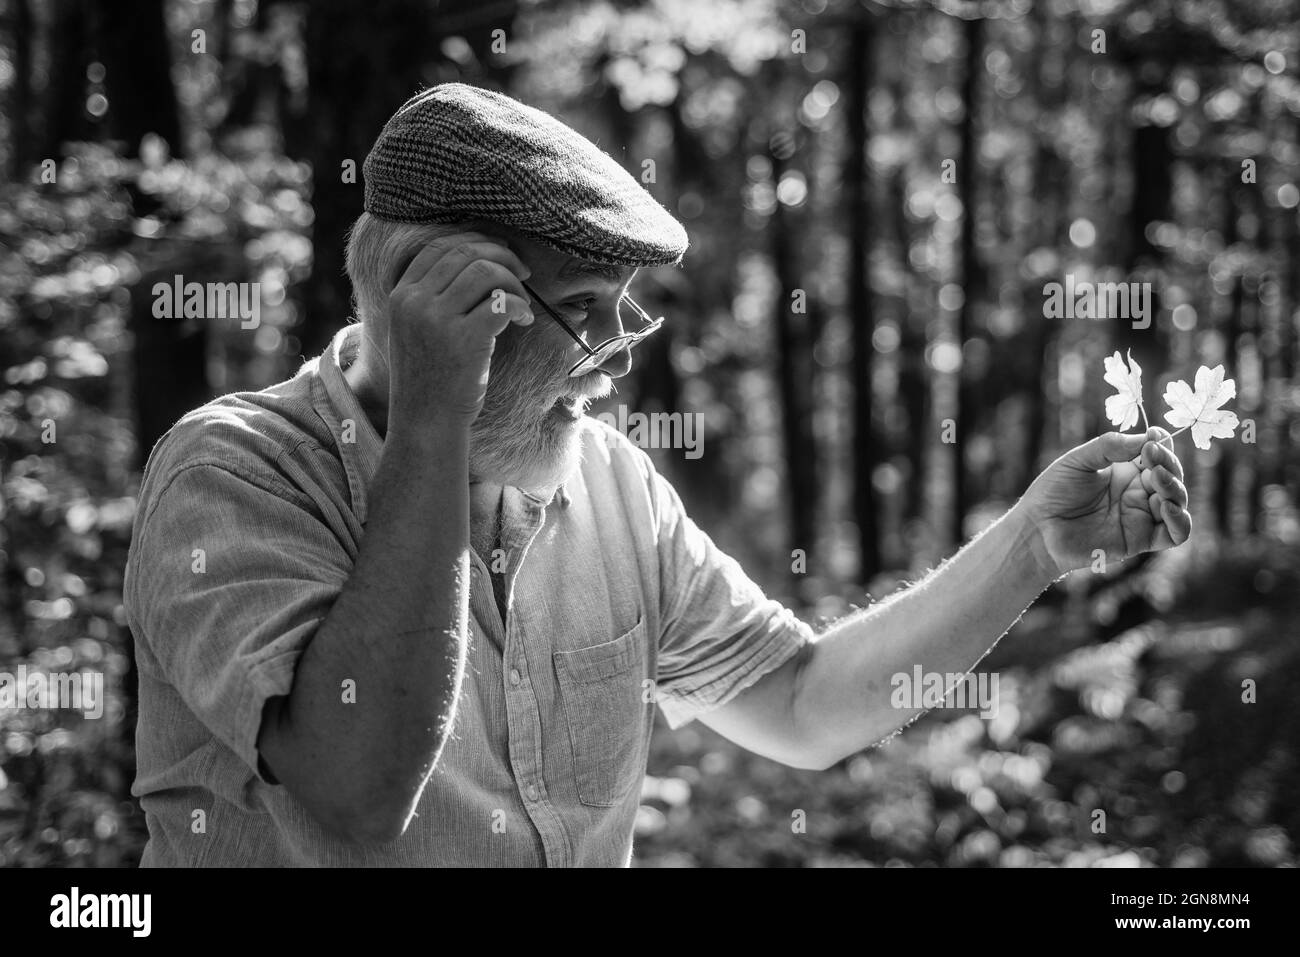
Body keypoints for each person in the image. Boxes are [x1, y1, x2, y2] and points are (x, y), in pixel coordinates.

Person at [123, 83, 1191, 866]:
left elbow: (803, 706)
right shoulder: (233, 476)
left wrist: (1030, 549)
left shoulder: (610, 486)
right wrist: (435, 414)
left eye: (624, 309)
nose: (618, 351)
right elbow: (355, 790)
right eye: (582, 307)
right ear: (430, 302)